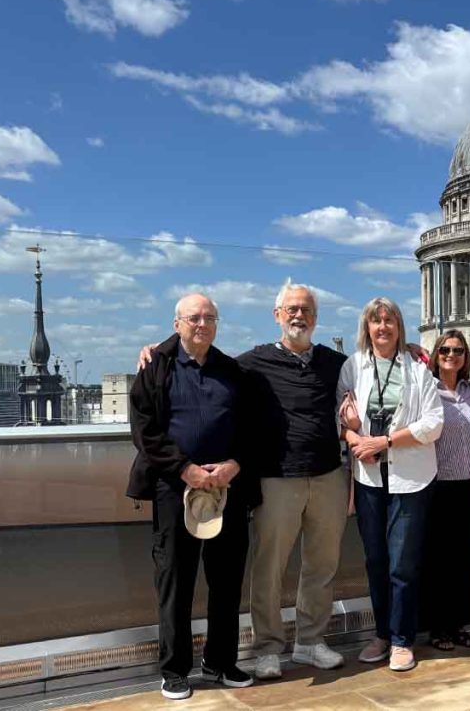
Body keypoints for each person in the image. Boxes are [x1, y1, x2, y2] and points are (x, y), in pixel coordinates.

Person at [138, 281, 349, 681]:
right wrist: (156, 349)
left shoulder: (334, 363)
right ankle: (265, 648)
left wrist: (413, 350)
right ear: (277, 315)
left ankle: (308, 643)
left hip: (321, 475)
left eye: (305, 310)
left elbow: (373, 364)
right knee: (264, 568)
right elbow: (185, 369)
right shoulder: (251, 362)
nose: (298, 316)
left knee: (318, 566)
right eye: (290, 309)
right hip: (268, 479)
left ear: (316, 318)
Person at [127, 293, 258, 700]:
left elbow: (252, 428)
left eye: (210, 318)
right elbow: (144, 429)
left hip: (225, 488)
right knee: (175, 579)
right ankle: (174, 669)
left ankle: (220, 661)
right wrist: (185, 469)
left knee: (226, 579)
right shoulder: (156, 366)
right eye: (194, 318)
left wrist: (233, 465)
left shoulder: (232, 370)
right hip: (174, 487)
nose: (202, 324)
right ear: (177, 323)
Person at [338, 297, 443, 672]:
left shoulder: (418, 368)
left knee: (403, 562)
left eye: (390, 321)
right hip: (368, 476)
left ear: (400, 327)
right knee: (376, 559)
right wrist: (357, 443)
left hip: (410, 477)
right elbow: (343, 419)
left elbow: (434, 423)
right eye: (375, 321)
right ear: (366, 327)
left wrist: (384, 442)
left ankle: (402, 638)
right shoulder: (353, 367)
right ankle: (381, 633)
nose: (382, 327)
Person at [419, 330, 470, 651]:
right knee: (438, 559)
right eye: (446, 350)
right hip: (439, 484)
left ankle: (460, 623)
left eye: (459, 350)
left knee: (464, 559)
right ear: (436, 355)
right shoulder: (426, 390)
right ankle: (438, 627)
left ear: (466, 357)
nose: (452, 355)